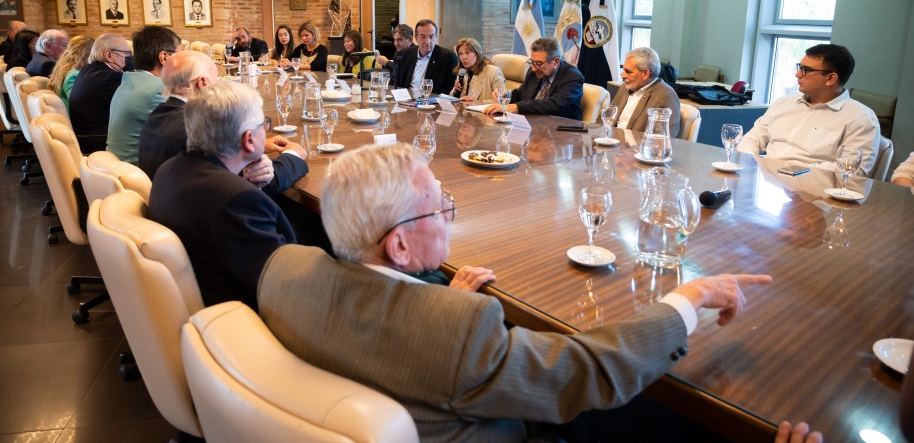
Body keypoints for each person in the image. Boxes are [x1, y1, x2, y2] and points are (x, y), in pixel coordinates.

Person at [257, 143, 774, 442]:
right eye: (439, 209)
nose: (448, 217)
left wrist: (437, 299)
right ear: (397, 247)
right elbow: (587, 373)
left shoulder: (283, 269)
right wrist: (690, 299)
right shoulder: (456, 329)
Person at [147, 81, 306, 310]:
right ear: (249, 140)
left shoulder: (169, 169)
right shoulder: (235, 200)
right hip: (247, 321)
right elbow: (284, 286)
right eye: (264, 125)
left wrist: (248, 182)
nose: (266, 130)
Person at [138, 49, 308, 194]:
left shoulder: (157, 116)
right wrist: (292, 156)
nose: (219, 82)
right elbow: (262, 181)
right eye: (217, 77)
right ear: (202, 83)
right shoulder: (200, 127)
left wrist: (248, 145)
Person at [739, 44, 880, 176]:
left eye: (806, 70)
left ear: (831, 78)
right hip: (766, 181)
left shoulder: (860, 117)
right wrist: (750, 164)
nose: (798, 74)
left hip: (816, 194)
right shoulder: (783, 103)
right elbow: (752, 139)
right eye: (799, 67)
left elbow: (852, 170)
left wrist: (798, 172)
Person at [107, 26, 179, 164]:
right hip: (138, 172)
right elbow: (182, 133)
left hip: (116, 167)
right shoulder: (158, 89)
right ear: (164, 57)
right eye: (179, 55)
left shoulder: (129, 80)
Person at [483, 37, 584, 120]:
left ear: (555, 62)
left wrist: (516, 107)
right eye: (532, 62)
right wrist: (504, 96)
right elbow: (520, 95)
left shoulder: (573, 77)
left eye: (539, 64)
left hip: (561, 134)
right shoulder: (533, 71)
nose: (534, 68)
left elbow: (554, 104)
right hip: (531, 125)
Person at [68, 33, 132, 152]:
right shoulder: (110, 77)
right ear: (109, 54)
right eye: (127, 54)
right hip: (99, 142)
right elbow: (133, 105)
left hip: (86, 136)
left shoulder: (89, 69)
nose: (129, 58)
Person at [609, 46, 681, 137]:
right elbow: (608, 116)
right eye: (623, 70)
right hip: (612, 143)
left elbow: (665, 138)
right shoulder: (624, 87)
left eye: (628, 72)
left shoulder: (666, 95)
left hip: (636, 148)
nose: (622, 76)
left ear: (645, 74)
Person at [394, 19, 457, 95]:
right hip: (406, 101)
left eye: (431, 37)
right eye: (423, 37)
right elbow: (394, 83)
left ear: (436, 37)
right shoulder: (404, 55)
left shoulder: (448, 57)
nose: (427, 42)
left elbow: (448, 89)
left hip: (432, 102)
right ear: (416, 38)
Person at [47, 34, 95, 112]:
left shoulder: (64, 69)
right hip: (75, 120)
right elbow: (80, 104)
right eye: (95, 53)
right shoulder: (73, 75)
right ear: (86, 54)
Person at [449, 37, 505, 101]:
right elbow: (452, 97)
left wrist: (476, 102)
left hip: (483, 110)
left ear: (477, 54)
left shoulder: (493, 72)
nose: (463, 57)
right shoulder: (462, 72)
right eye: (460, 54)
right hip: (462, 110)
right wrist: (456, 91)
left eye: (467, 53)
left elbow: (502, 100)